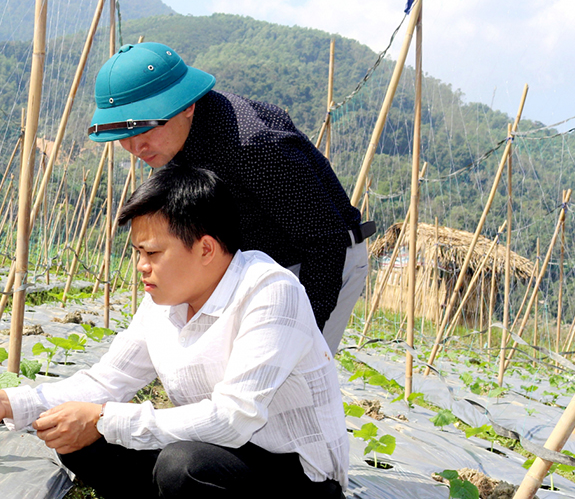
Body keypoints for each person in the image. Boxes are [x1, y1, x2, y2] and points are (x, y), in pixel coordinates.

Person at [0, 163, 349, 499]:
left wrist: (105, 417)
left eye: (152, 252)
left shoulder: (270, 292)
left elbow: (234, 419)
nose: (141, 266)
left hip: (297, 492)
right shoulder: (164, 303)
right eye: (137, 252)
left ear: (206, 249)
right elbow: (104, 382)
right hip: (223, 465)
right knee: (79, 437)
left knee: (181, 466)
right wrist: (10, 403)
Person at [86, 41, 373, 355]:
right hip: (255, 262)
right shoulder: (179, 140)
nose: (136, 147)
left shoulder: (253, 146)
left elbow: (325, 242)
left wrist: (300, 332)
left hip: (315, 262)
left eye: (146, 129)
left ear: (186, 106)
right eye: (124, 136)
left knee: (287, 380)